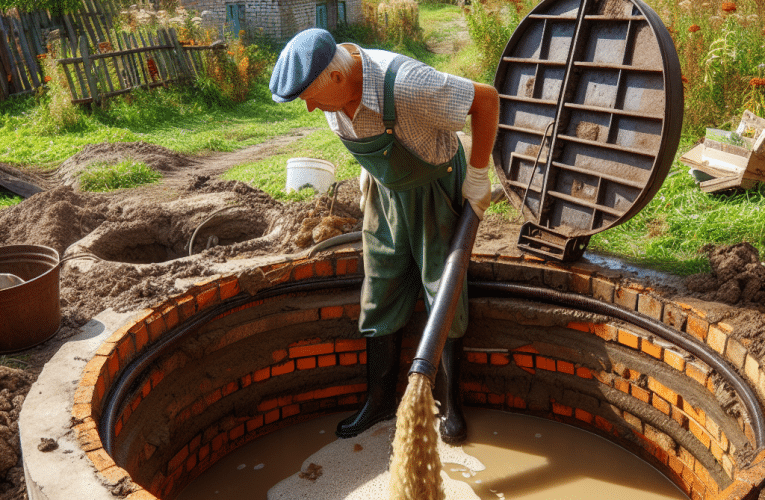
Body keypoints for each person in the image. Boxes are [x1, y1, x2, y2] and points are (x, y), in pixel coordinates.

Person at [270, 28, 499, 444]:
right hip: (385, 194)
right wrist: (369, 170)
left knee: (443, 291)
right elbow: (360, 129)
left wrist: (479, 175)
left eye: (311, 98)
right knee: (379, 292)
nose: (309, 109)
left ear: (337, 79)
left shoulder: (409, 83)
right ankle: (378, 402)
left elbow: (485, 100)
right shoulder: (331, 90)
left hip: (434, 191)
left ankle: (451, 406)